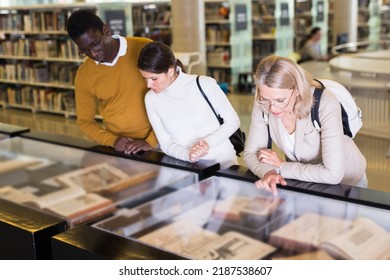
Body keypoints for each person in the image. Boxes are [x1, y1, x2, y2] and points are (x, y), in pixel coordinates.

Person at [244, 55, 367, 196]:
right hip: (303, 182)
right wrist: (268, 171)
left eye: (280, 100)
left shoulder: (324, 103)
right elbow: (251, 153)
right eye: (265, 99)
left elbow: (333, 174)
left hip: (346, 183)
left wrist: (281, 167)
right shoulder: (265, 101)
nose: (272, 108)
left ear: (296, 89)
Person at [66, 9, 157, 154]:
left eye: (95, 44)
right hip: (119, 148)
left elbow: (173, 95)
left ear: (106, 30)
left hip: (160, 143)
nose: (94, 54)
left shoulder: (144, 48)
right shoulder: (84, 74)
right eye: (85, 51)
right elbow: (85, 122)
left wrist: (151, 141)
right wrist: (113, 141)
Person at [137, 42, 240, 169]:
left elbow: (233, 121)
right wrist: (189, 155)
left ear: (170, 70)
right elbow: (166, 144)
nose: (148, 85)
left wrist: (207, 143)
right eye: (145, 79)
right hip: (189, 168)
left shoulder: (204, 84)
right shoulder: (151, 99)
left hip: (224, 165)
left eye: (154, 79)